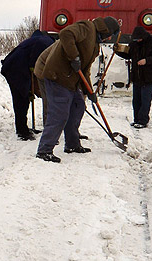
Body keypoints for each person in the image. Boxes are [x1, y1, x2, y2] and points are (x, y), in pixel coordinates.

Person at [34, 16, 120, 162]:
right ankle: (44, 150)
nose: (109, 38)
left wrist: (89, 91)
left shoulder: (95, 45)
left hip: (71, 81)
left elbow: (84, 69)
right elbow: (66, 34)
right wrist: (74, 57)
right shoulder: (87, 27)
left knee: (78, 106)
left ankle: (72, 144)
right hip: (57, 76)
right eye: (110, 35)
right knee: (59, 114)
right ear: (106, 30)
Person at [0, 29, 54, 140]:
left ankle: (24, 127)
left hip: (17, 66)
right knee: (21, 98)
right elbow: (35, 60)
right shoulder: (46, 42)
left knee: (25, 96)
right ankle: (22, 131)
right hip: (14, 69)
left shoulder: (42, 40)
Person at [120, 26, 152, 128]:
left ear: (143, 36)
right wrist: (118, 51)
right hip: (137, 76)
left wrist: (146, 61)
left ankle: (143, 121)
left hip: (148, 77)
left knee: (145, 101)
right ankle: (136, 119)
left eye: (138, 39)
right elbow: (129, 55)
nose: (137, 40)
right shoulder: (134, 44)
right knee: (136, 101)